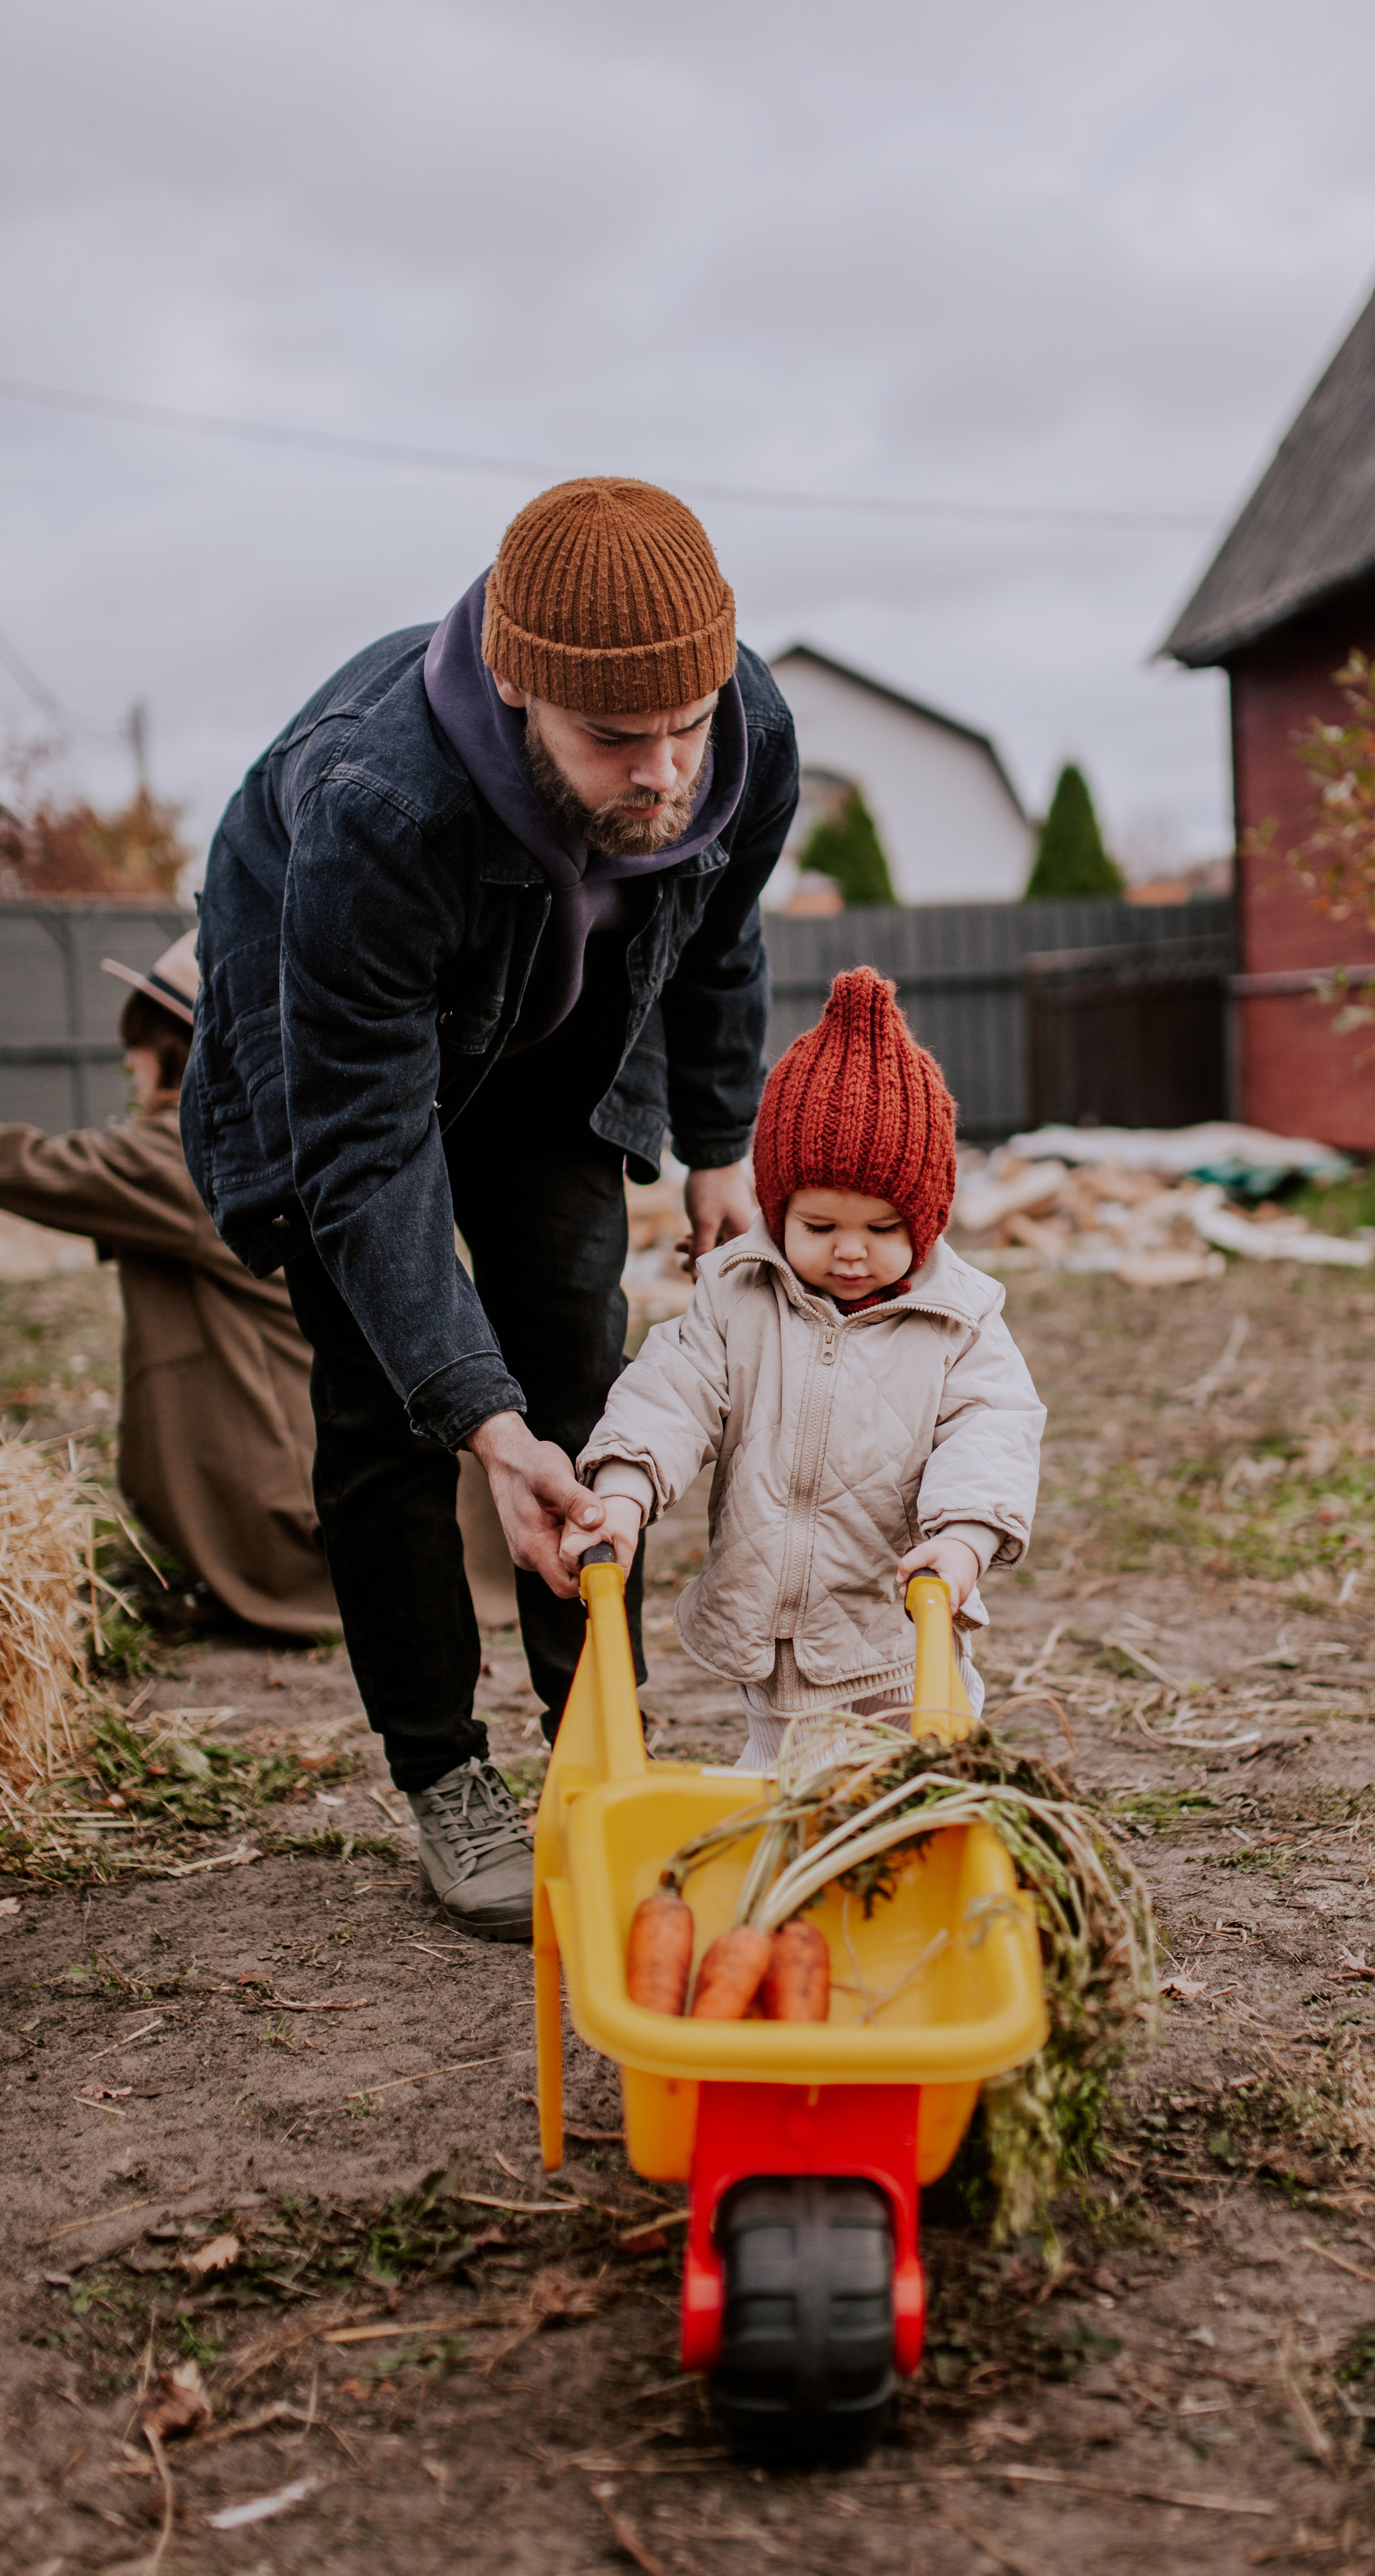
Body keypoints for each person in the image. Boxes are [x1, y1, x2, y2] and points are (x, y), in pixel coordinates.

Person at [183, 478, 799, 1937]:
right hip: (339, 1031)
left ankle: (597, 1736)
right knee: (392, 1405)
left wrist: (720, 1141)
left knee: (580, 1376)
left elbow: (720, 936)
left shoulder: (744, 729)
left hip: (553, 1049)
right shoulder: (375, 803)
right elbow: (365, 1149)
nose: (663, 776)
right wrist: (473, 1414)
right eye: (613, 741)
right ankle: (444, 1774)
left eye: (687, 727)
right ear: (522, 686)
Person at [577, 969, 1045, 1771]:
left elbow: (992, 1432)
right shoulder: (737, 1293)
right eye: (820, 1224)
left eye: (882, 1227)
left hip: (906, 1636)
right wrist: (623, 1487)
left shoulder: (959, 1321)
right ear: (777, 1207)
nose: (851, 1250)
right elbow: (672, 1392)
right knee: (781, 1815)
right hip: (776, 1642)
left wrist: (964, 1541)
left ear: (926, 1219)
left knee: (910, 1805)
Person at [0, 932, 340, 1633]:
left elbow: (35, 1169)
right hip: (320, 1492)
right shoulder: (274, 1137)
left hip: (290, 1528)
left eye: (140, 1040)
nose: (127, 1062)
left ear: (180, 1047)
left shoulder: (198, 1154)